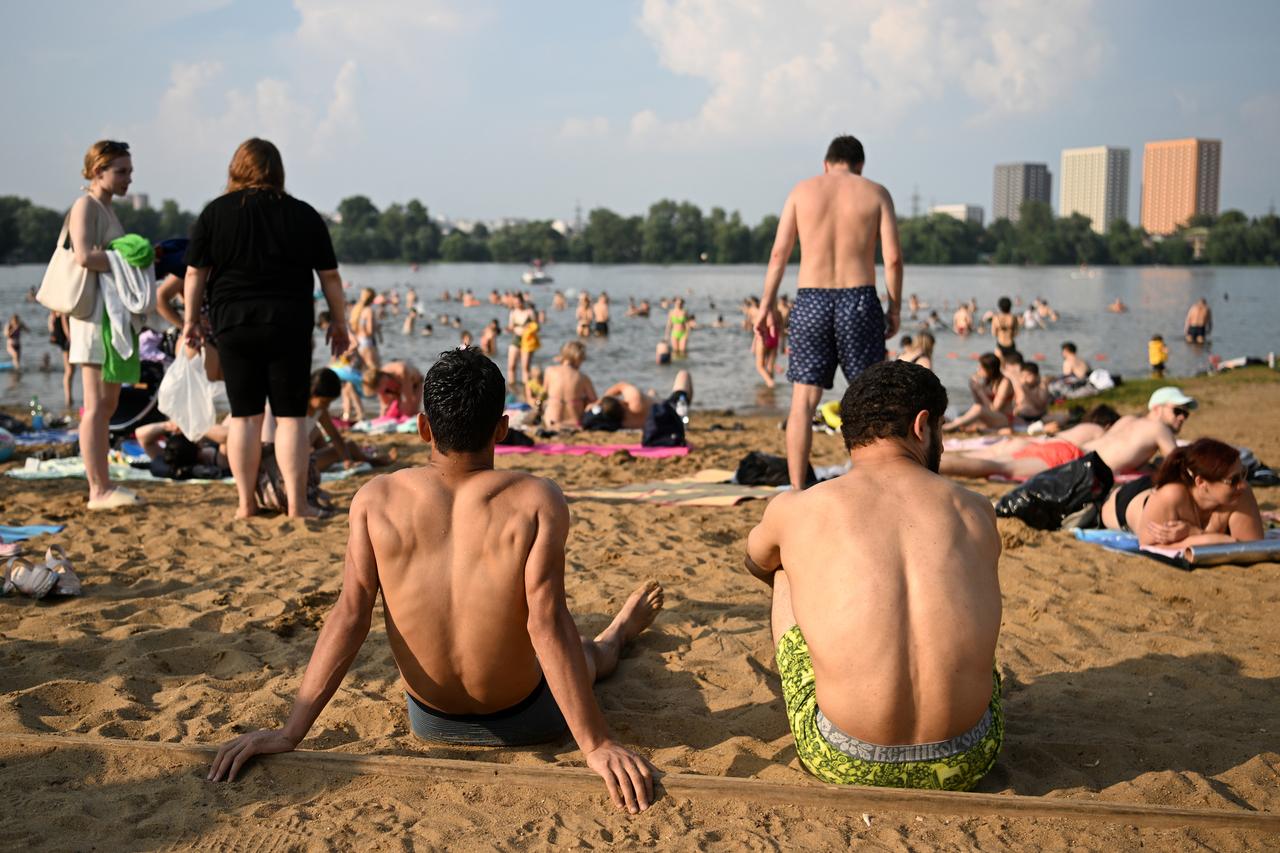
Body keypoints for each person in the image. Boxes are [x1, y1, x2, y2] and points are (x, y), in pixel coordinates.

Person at [208, 349, 664, 814]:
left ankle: (614, 636)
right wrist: (596, 743)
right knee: (586, 654)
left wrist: (290, 732)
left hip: (429, 720)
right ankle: (616, 636)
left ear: (424, 427)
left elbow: (350, 615)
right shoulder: (537, 499)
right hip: (528, 719)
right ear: (502, 429)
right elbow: (546, 624)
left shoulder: (374, 499)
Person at [744, 361, 1002, 789]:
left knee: (786, 564)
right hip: (969, 755)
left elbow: (756, 562)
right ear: (923, 426)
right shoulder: (976, 508)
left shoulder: (801, 507)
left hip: (843, 755)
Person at [183, 138, 349, 519]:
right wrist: (340, 323)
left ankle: (245, 505)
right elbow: (330, 277)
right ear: (278, 172)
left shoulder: (214, 213)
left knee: (245, 416)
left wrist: (191, 320)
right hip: (288, 321)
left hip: (233, 322)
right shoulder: (303, 214)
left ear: (235, 169)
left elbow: (194, 273)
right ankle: (297, 505)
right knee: (290, 416)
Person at [754, 135, 902, 490]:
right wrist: (894, 306)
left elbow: (779, 255)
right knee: (869, 397)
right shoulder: (875, 192)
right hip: (859, 299)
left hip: (811, 300)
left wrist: (766, 305)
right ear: (860, 165)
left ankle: (797, 490)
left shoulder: (801, 191)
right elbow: (893, 259)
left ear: (826, 163)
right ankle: (870, 484)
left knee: (803, 401)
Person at [66, 140, 139, 509]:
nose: (129, 178)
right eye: (121, 171)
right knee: (96, 404)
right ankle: (97, 488)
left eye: (129, 170)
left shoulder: (107, 209)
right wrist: (127, 261)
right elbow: (83, 255)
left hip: (109, 318)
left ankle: (104, 483)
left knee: (108, 402)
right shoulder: (86, 206)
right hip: (92, 318)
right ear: (99, 171)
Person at [1100, 438, 1263, 549]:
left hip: (1167, 487)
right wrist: (1211, 538)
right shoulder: (1170, 496)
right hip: (1127, 501)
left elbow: (1251, 546)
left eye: (1244, 473)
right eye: (1233, 480)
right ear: (1201, 482)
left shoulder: (1239, 492)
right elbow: (1149, 546)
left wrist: (1194, 534)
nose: (1242, 484)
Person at [940, 406, 1121, 480]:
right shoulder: (1100, 432)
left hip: (1042, 443)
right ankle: (934, 466)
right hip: (1060, 453)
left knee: (977, 457)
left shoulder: (1083, 427)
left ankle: (931, 461)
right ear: (1108, 424)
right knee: (998, 466)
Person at [591, 371, 693, 430]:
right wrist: (599, 401)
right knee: (683, 374)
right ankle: (684, 410)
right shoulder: (635, 400)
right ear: (620, 402)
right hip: (671, 409)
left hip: (662, 419)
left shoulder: (623, 423)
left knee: (652, 393)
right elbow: (620, 386)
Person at [943, 354, 1013, 432]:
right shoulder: (988, 381)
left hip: (1004, 418)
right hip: (990, 418)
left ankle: (948, 428)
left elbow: (994, 409)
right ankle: (950, 425)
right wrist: (974, 389)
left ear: (990, 369)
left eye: (981, 368)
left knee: (975, 409)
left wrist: (980, 391)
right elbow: (979, 403)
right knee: (963, 417)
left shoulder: (1005, 382)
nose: (978, 370)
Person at [543, 341, 597, 430]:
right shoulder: (583, 377)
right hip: (575, 423)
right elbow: (594, 401)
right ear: (577, 358)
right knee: (588, 400)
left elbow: (543, 394)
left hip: (551, 421)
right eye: (582, 360)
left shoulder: (550, 371)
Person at [506, 294, 537, 386]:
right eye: (515, 303)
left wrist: (529, 326)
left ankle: (526, 388)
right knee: (511, 366)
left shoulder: (529, 312)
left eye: (518, 302)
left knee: (525, 367)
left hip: (527, 340)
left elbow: (537, 327)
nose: (517, 304)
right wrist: (509, 329)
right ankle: (512, 386)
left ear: (522, 302)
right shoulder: (513, 313)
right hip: (516, 338)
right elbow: (511, 326)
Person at [47, 311, 75, 408]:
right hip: (66, 339)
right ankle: (68, 398)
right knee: (70, 370)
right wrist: (70, 338)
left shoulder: (54, 310)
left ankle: (69, 397)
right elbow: (64, 321)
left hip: (63, 339)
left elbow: (51, 323)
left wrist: (52, 333)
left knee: (70, 370)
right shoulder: (61, 311)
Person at [349, 287, 381, 369]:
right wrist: (377, 328)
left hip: (358, 342)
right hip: (367, 342)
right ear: (373, 298)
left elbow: (352, 327)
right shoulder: (369, 310)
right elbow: (370, 331)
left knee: (363, 370)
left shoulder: (356, 309)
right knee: (375, 369)